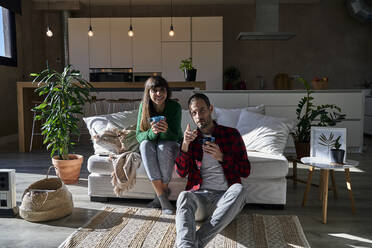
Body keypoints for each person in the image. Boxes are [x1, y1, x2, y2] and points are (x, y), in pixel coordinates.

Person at [174, 93, 250, 248]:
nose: (198, 116)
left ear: (210, 109)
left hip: (225, 200)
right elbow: (181, 172)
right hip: (200, 199)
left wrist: (222, 157)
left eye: (202, 110)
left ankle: (193, 244)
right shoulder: (191, 139)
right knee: (184, 196)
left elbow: (245, 170)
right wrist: (185, 146)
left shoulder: (231, 135)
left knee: (239, 190)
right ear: (191, 115)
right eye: (194, 113)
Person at [136, 76, 183, 215]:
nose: (158, 94)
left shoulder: (174, 107)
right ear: (148, 93)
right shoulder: (144, 107)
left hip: (170, 144)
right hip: (151, 144)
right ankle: (163, 197)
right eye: (154, 91)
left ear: (167, 92)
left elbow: (176, 136)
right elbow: (139, 136)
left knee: (163, 146)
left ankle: (159, 197)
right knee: (144, 145)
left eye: (161, 90)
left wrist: (165, 131)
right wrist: (152, 132)